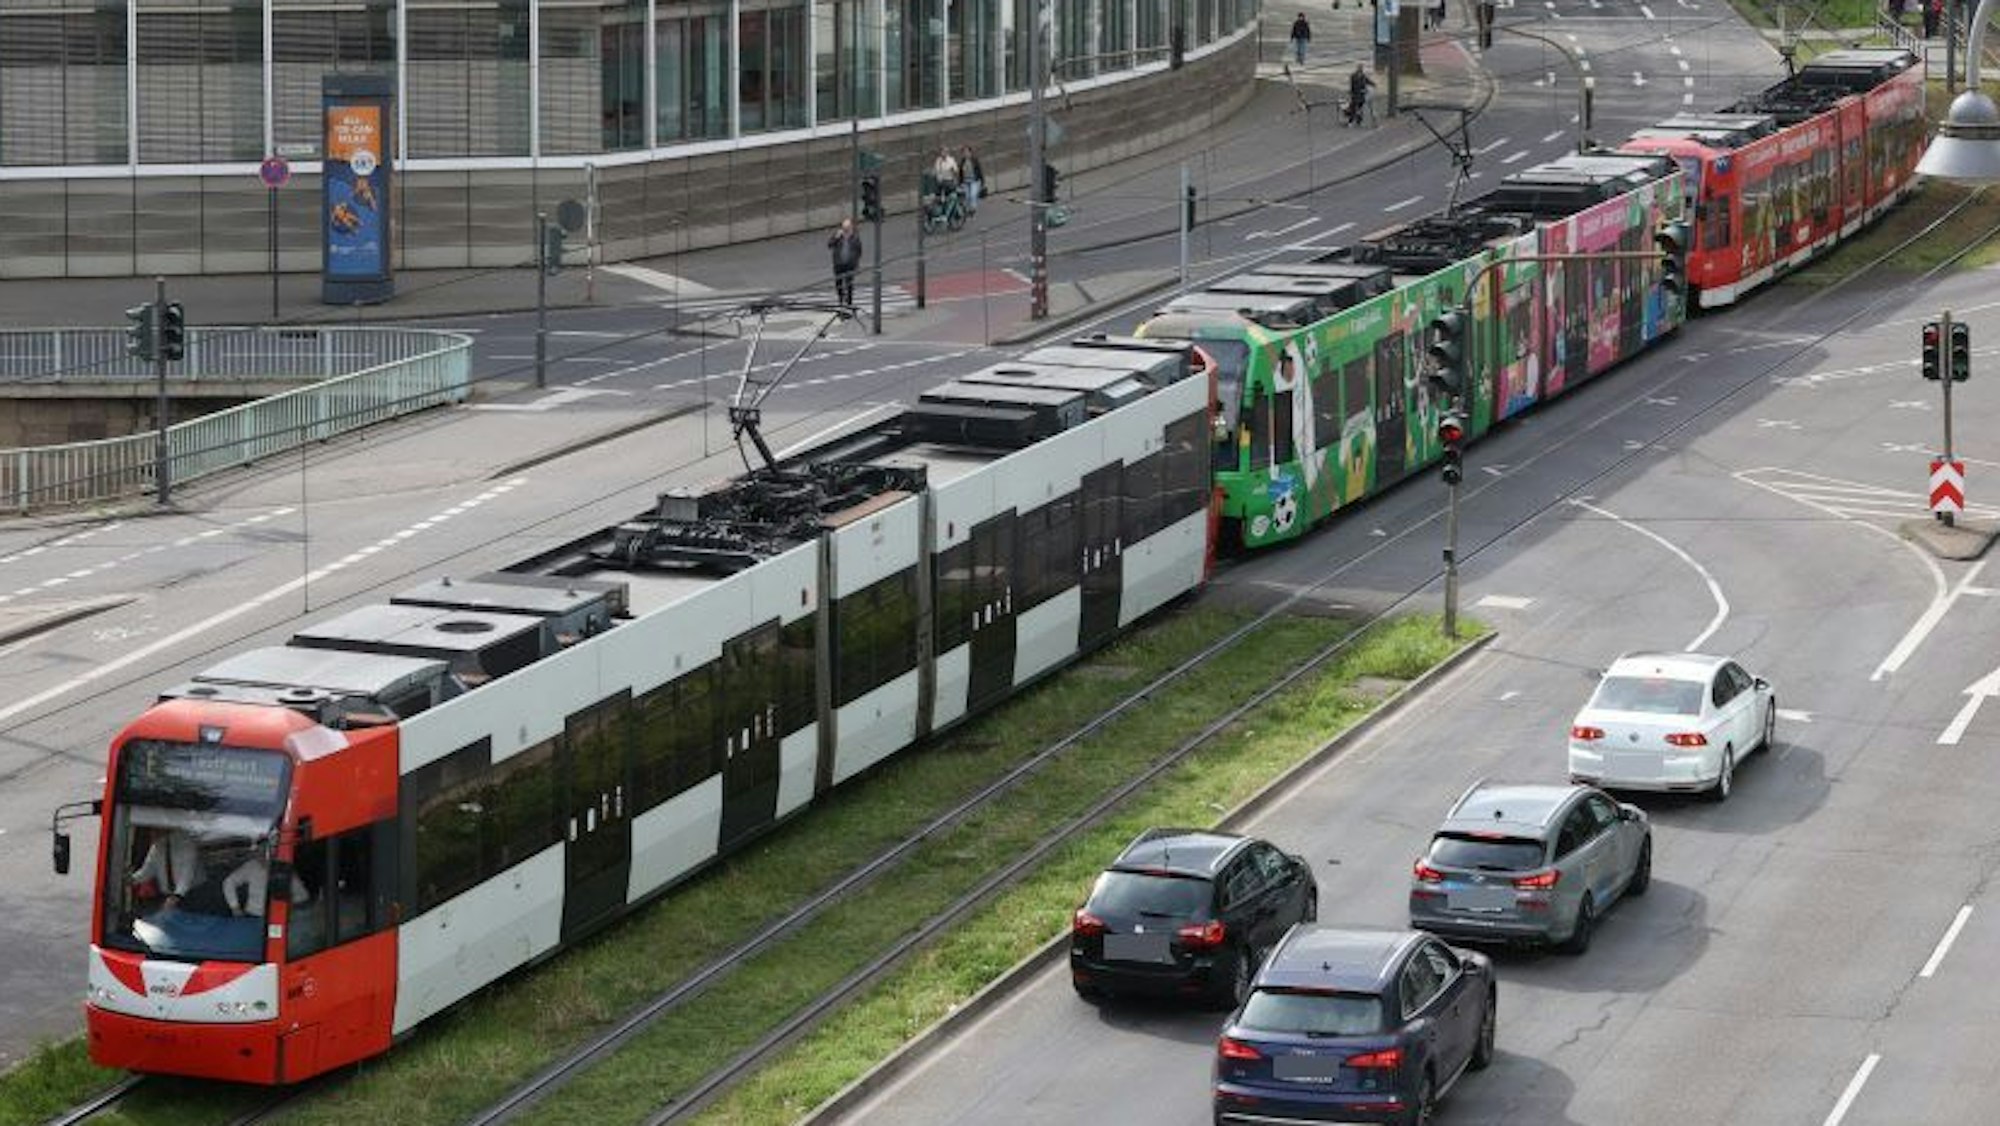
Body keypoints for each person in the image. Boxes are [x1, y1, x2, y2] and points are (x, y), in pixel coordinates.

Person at [129, 827, 202, 911]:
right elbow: (148, 870)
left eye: (154, 830)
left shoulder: (185, 844)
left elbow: (187, 875)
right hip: (169, 894)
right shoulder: (156, 846)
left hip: (191, 893)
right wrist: (132, 880)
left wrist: (177, 896)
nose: (151, 834)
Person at [221, 855, 308, 917]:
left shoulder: (284, 868)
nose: (264, 856)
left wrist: (289, 906)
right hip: (253, 916)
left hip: (279, 917)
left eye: (268, 851)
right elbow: (229, 882)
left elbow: (302, 895)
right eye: (261, 851)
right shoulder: (252, 866)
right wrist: (235, 907)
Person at [827, 217, 863, 309]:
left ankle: (849, 302)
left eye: (847, 228)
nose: (845, 230)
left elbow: (859, 251)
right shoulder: (838, 235)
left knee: (849, 283)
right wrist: (836, 237)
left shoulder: (855, 237)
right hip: (839, 264)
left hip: (849, 264)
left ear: (851, 227)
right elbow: (830, 245)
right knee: (838, 283)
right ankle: (841, 300)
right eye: (844, 228)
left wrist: (856, 264)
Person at [958, 145, 985, 216]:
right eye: (964, 152)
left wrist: (982, 181)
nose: (966, 154)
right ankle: (968, 208)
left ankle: (973, 209)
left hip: (974, 180)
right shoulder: (962, 162)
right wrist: (960, 182)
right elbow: (960, 173)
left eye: (967, 152)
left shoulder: (974, 160)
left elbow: (979, 170)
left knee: (973, 195)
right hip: (966, 181)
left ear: (970, 152)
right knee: (967, 196)